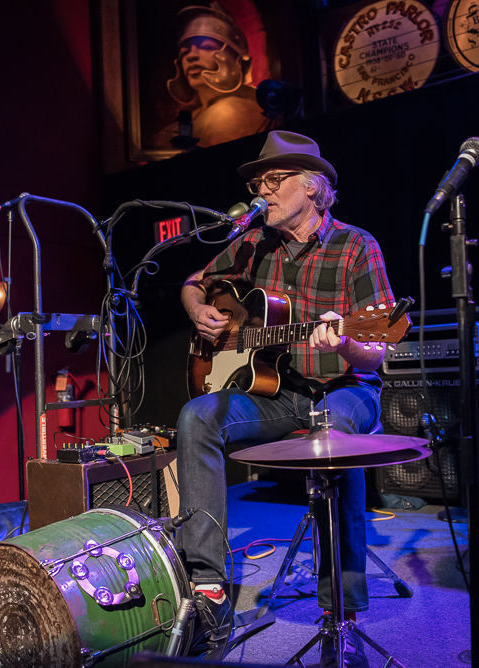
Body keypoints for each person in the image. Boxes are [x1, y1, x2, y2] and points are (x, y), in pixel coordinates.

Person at [176, 130, 398, 668]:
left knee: (333, 433)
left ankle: (340, 611)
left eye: (275, 180)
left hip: (346, 389)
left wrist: (344, 342)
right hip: (276, 393)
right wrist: (198, 311)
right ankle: (207, 588)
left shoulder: (356, 246)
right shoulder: (252, 243)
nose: (263, 191)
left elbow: (377, 351)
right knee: (197, 416)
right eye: (258, 183)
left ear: (313, 187)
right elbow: (194, 282)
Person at [156, 2, 271, 149]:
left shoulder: (231, 112)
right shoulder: (194, 117)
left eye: (206, 47)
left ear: (236, 58)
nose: (191, 56)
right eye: (184, 52)